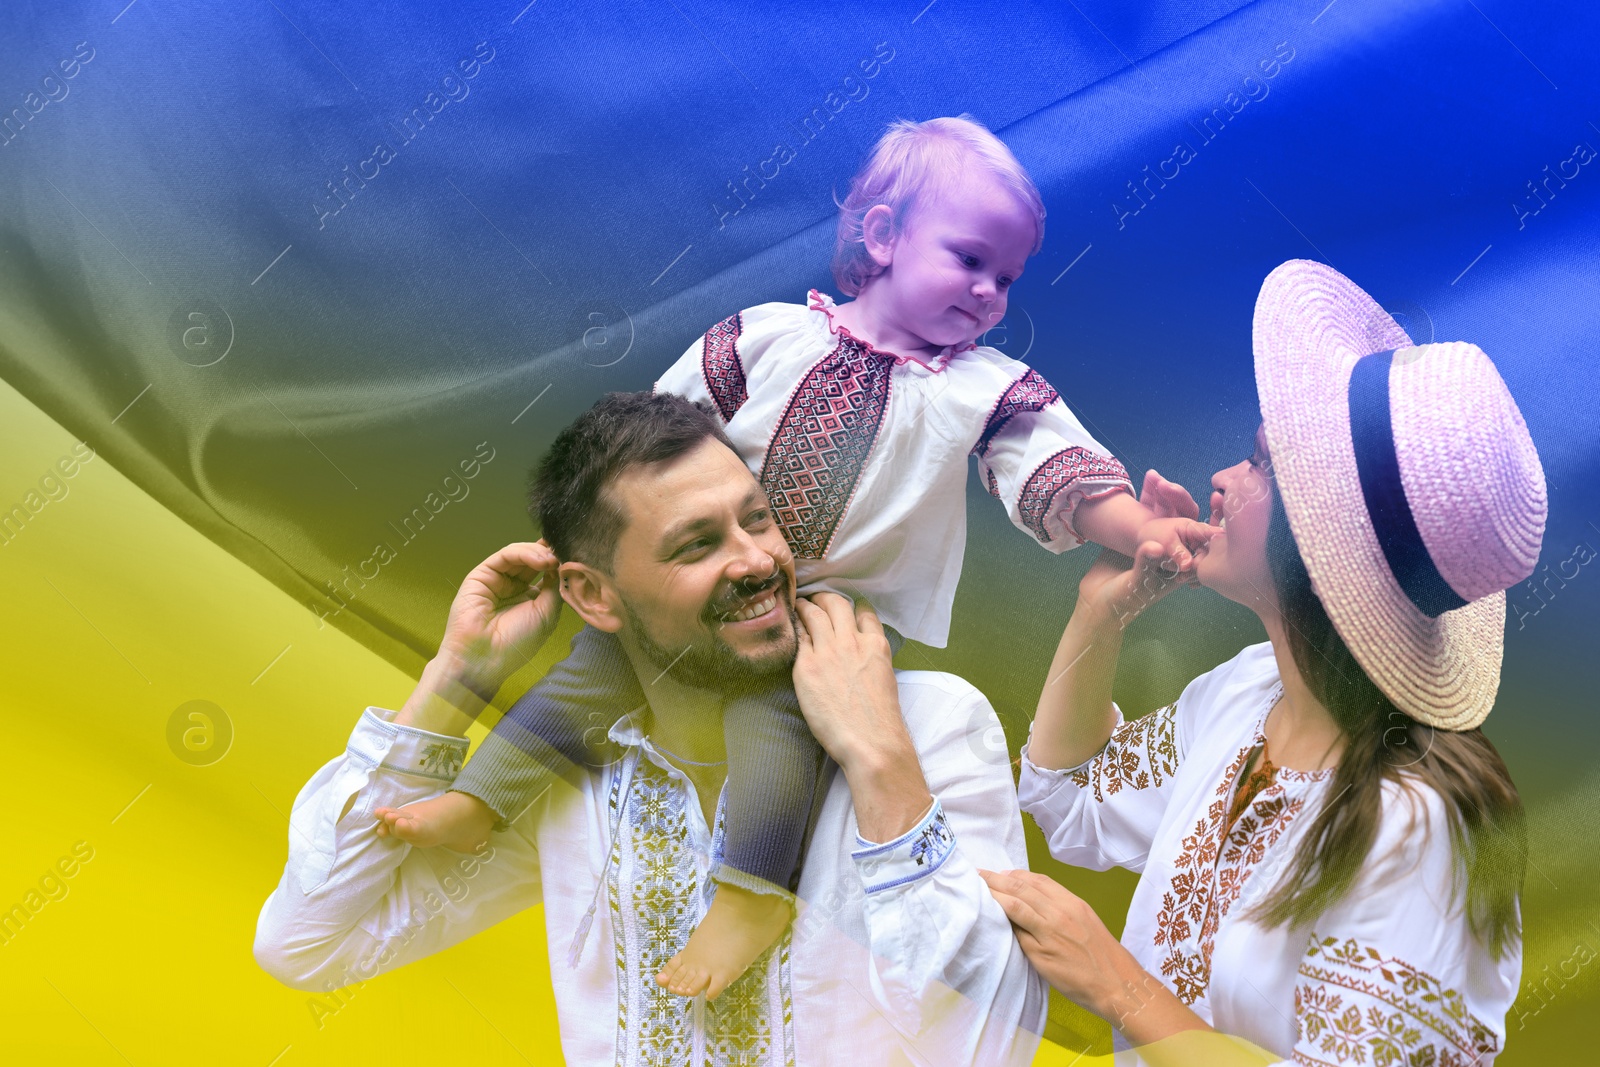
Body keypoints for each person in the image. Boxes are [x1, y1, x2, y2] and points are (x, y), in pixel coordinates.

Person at [381, 114, 1214, 999]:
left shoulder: (981, 389)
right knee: (588, 673)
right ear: (885, 235)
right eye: (970, 259)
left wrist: (1138, 531)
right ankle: (483, 799)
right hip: (699, 593)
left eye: (1007, 277)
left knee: (776, 732)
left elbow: (1054, 470)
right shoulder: (769, 335)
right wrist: (590, 540)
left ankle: (752, 893)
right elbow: (647, 439)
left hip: (827, 618)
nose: (988, 293)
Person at [253, 390, 1048, 1066]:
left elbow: (994, 1038)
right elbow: (313, 944)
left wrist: (878, 763)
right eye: (697, 544)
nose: (756, 561)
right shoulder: (573, 779)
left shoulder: (928, 724)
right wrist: (454, 681)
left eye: (758, 521)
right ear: (592, 596)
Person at [982, 260, 1542, 1065]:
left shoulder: (1421, 827)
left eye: (1260, 464)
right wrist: (1102, 612)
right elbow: (1071, 796)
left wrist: (1118, 983)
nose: (1221, 478)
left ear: (1322, 543)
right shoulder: (1251, 693)